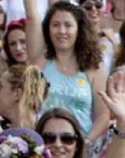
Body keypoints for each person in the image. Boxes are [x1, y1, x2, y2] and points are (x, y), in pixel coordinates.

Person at [27, 0, 109, 140]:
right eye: (56, 25)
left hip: (81, 144)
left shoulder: (93, 66)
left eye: (68, 25)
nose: (62, 31)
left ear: (79, 29)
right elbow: (28, 108)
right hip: (44, 145)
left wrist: (87, 142)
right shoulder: (40, 61)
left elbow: (103, 115)